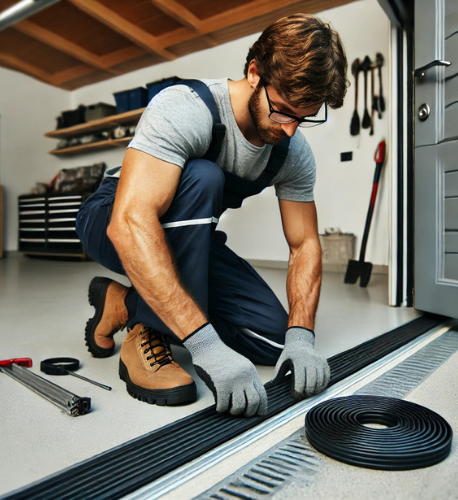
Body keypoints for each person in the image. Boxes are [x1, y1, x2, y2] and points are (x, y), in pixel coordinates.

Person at [76, 13, 348, 418]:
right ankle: (145, 335)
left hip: (188, 238)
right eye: (284, 112)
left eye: (305, 117)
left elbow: (304, 243)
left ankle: (123, 302)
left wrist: (302, 336)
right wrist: (205, 346)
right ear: (255, 73)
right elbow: (130, 222)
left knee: (274, 341)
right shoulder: (186, 107)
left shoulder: (293, 151)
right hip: (114, 216)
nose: (291, 129)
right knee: (204, 175)